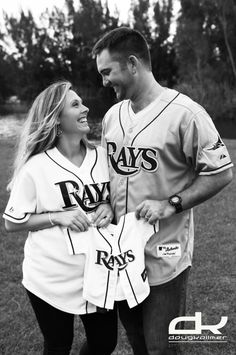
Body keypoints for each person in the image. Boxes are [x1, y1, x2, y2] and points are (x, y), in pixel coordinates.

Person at [93, 27, 233, 355]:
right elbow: (107, 172)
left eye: (106, 72)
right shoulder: (113, 115)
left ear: (131, 64)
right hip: (121, 253)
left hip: (164, 253)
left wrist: (171, 203)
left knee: (161, 347)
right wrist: (103, 203)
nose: (104, 82)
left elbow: (221, 172)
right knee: (138, 340)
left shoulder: (186, 114)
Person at [3, 81, 118, 355]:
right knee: (57, 346)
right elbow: (11, 222)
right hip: (49, 277)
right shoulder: (36, 167)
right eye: (75, 104)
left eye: (82, 102)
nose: (85, 107)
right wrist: (57, 216)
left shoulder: (102, 157)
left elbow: (115, 198)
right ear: (55, 118)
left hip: (98, 270)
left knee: (104, 344)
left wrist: (109, 208)